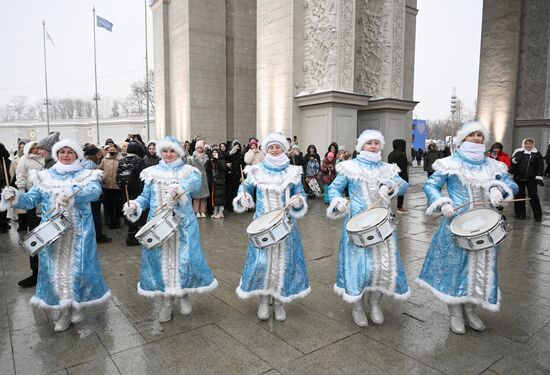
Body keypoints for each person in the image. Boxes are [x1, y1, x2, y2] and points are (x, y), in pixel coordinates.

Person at [417, 121, 518, 334]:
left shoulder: (494, 165)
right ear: (462, 139)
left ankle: (471, 311)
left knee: (481, 269)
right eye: (471, 135)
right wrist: (442, 202)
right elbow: (431, 185)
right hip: (457, 224)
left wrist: (499, 189)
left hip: (486, 227)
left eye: (479, 135)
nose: (476, 138)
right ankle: (455, 314)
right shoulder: (449, 163)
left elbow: (512, 183)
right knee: (456, 269)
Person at [0, 139, 110, 331]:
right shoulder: (44, 176)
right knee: (56, 272)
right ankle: (64, 311)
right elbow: (31, 200)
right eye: (62, 152)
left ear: (77, 155)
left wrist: (73, 193)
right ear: (56, 154)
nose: (66, 155)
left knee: (79, 271)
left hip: (79, 232)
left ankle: (76, 304)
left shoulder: (87, 175)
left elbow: (94, 192)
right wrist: (15, 196)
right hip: (53, 234)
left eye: (70, 152)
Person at [123, 135, 217, 323]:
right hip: (157, 227)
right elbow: (145, 197)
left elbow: (194, 187)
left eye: (171, 150)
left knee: (184, 261)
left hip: (182, 226)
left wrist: (178, 189)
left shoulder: (189, 171)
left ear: (179, 152)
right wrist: (134, 205)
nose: (168, 154)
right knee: (162, 263)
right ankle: (167, 302)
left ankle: (183, 294)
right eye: (164, 151)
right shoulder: (151, 172)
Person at [327, 130, 409, 327]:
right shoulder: (349, 167)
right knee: (358, 268)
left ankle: (374, 303)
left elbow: (404, 184)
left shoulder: (388, 168)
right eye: (368, 143)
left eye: (376, 143)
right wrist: (338, 202)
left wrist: (390, 186)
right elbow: (334, 189)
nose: (373, 146)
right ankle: (357, 306)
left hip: (383, 228)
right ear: (361, 146)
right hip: (357, 225)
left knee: (382, 267)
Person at [233, 132, 310, 321]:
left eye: (278, 147)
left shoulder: (293, 171)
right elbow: (245, 190)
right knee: (262, 264)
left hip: (286, 226)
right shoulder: (256, 170)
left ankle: (278, 301)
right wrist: (244, 198)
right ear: (266, 149)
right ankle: (263, 299)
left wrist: (298, 200)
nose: (274, 150)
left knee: (283, 264)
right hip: (262, 226)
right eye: (271, 147)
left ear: (283, 149)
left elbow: (301, 192)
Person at [15, 140, 44, 288]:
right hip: (32, 199)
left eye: (37, 147)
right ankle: (36, 273)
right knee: (34, 236)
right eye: (32, 148)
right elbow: (20, 176)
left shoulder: (46, 159)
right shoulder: (23, 159)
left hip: (47, 201)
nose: (36, 150)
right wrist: (21, 194)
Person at [117, 140, 147, 246]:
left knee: (129, 210)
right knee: (138, 212)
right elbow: (143, 177)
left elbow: (118, 177)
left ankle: (131, 234)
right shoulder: (139, 160)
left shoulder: (122, 160)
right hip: (137, 191)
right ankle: (134, 236)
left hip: (126, 191)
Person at [511, 138, 544, 221]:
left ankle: (537, 216)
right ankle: (520, 214)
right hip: (519, 178)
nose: (528, 145)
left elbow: (540, 166)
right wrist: (514, 161)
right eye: (526, 144)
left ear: (533, 144)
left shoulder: (537, 154)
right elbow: (512, 163)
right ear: (524, 144)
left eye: (530, 144)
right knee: (519, 196)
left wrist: (539, 176)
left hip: (531, 179)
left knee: (533, 196)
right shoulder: (519, 153)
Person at [99, 144, 122, 229]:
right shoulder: (105, 159)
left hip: (117, 186)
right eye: (110, 150)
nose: (112, 151)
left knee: (117, 205)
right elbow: (100, 169)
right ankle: (111, 222)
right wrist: (103, 178)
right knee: (109, 205)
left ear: (117, 150)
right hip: (107, 186)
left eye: (113, 150)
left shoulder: (121, 159)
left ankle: (117, 222)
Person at [187, 140, 210, 218]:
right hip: (196, 178)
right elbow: (188, 168)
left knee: (204, 197)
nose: (199, 149)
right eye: (198, 148)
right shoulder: (191, 157)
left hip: (204, 178)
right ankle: (196, 211)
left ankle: (202, 211)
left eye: (201, 148)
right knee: (196, 197)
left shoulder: (206, 156)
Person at [387, 139, 409, 213]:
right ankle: (399, 207)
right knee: (401, 191)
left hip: (392, 174)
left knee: (390, 191)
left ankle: (385, 205)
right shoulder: (402, 154)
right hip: (401, 175)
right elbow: (404, 166)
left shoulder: (390, 154)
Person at [205, 147, 226, 218]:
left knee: (220, 196)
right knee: (215, 196)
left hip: (220, 180)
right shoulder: (211, 161)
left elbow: (223, 168)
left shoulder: (221, 159)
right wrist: (208, 161)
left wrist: (217, 160)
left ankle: (221, 212)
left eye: (216, 152)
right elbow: (207, 169)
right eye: (213, 153)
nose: (214, 154)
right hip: (213, 181)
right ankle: (216, 210)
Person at [225, 140, 244, 211]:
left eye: (238, 146)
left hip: (237, 175)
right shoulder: (230, 154)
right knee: (230, 191)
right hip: (230, 175)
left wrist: (242, 177)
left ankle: (236, 205)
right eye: (236, 146)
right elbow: (225, 158)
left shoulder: (241, 155)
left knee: (236, 191)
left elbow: (242, 166)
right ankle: (229, 206)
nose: (237, 148)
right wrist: (230, 153)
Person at [0, 143, 11, 232]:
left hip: (3, 185)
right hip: (3, 185)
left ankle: (3, 225)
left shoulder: (5, 161)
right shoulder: (6, 160)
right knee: (3, 206)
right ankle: (3, 225)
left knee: (3, 206)